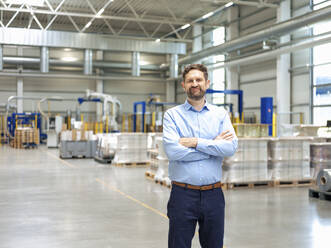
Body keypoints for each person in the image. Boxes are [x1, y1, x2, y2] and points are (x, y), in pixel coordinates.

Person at [162, 64, 238, 248]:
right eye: (190, 80)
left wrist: (196, 142)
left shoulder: (220, 114)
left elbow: (230, 148)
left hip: (214, 195)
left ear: (207, 83)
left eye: (198, 80)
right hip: (182, 194)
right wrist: (213, 145)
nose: (194, 83)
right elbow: (173, 151)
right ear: (183, 85)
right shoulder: (172, 116)